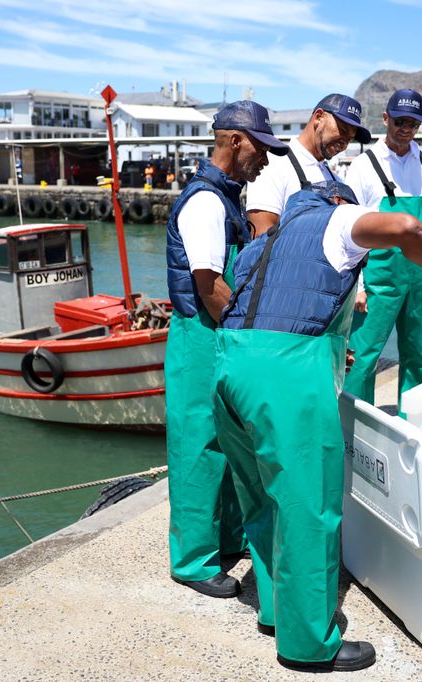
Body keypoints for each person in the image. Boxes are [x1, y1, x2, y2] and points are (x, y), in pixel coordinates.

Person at [214, 181, 422, 671]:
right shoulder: (336, 220)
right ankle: (308, 644)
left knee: (263, 503)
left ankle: (276, 610)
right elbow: (409, 228)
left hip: (230, 368)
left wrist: (329, 347)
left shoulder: (266, 240)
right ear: (339, 203)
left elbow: (274, 311)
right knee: (310, 508)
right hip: (285, 379)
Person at [164, 100, 289, 599]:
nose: (266, 160)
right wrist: (250, 335)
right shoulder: (206, 202)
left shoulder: (227, 197)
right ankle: (193, 562)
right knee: (200, 446)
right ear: (235, 141)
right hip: (201, 335)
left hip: (215, 334)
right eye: (261, 148)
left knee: (231, 440)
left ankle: (226, 540)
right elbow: (210, 285)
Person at [343, 88, 422, 411]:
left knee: (420, 354)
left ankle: (413, 432)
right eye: (399, 120)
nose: (406, 129)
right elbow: (349, 226)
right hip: (377, 279)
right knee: (363, 356)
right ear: (385, 118)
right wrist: (357, 286)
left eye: (413, 123)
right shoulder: (362, 166)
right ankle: (354, 436)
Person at [246, 93, 371, 235]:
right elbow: (260, 238)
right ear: (319, 117)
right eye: (342, 130)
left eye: (350, 139)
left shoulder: (335, 180)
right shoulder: (275, 164)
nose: (344, 143)